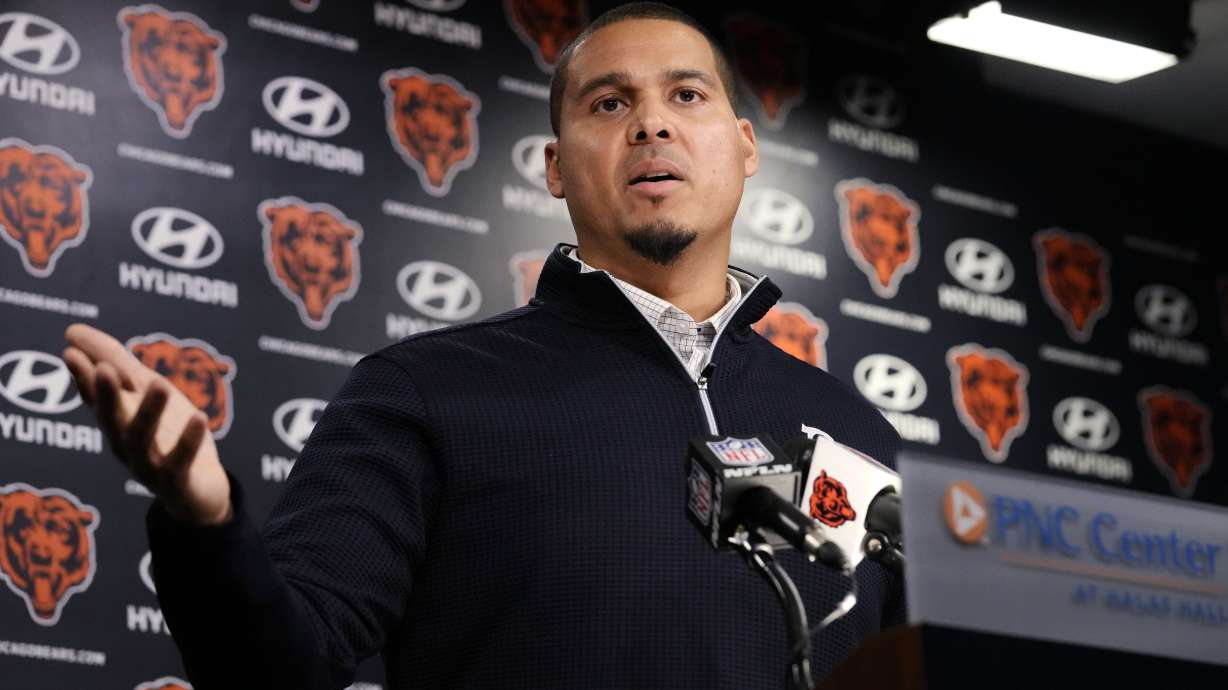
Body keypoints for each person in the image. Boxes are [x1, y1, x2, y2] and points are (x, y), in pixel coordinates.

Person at [62, 3, 904, 688]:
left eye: (687, 96)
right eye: (609, 103)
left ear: (745, 147)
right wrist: (205, 522)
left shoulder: (854, 430)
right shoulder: (426, 392)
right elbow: (283, 666)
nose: (651, 123)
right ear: (554, 167)